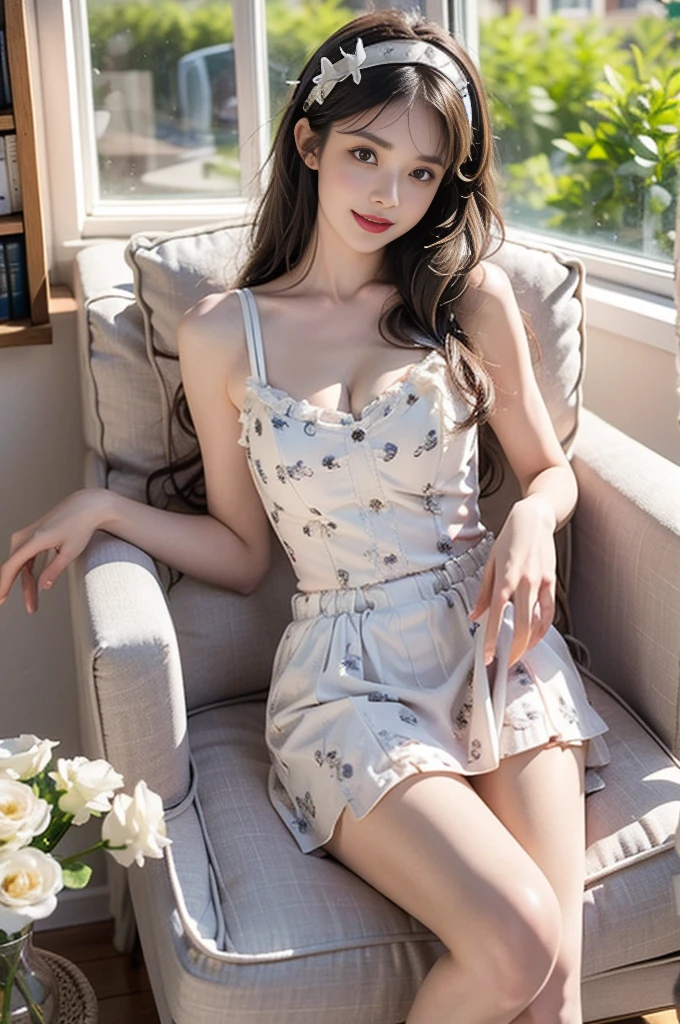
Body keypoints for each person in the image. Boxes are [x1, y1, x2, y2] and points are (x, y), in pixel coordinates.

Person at [0, 9, 609, 1023]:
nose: (388, 193)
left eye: (420, 174)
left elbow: (549, 473)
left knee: (558, 990)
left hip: (496, 640)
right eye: (367, 154)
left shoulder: (471, 297)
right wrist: (111, 501)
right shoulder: (221, 336)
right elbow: (243, 555)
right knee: (516, 941)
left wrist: (533, 520)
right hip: (346, 677)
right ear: (310, 142)